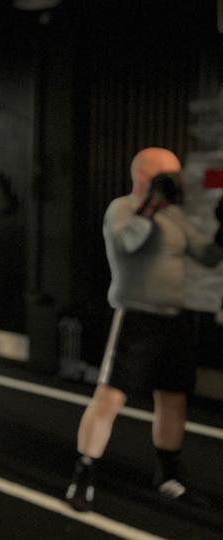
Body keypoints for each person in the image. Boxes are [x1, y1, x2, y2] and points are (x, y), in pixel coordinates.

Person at [65, 147, 223, 512]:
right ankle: (84, 474)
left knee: (173, 397)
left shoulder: (177, 217)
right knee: (110, 397)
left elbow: (208, 257)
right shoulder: (122, 209)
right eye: (167, 175)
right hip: (136, 318)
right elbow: (129, 242)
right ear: (144, 176)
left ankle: (168, 473)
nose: (176, 181)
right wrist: (150, 205)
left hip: (177, 319)